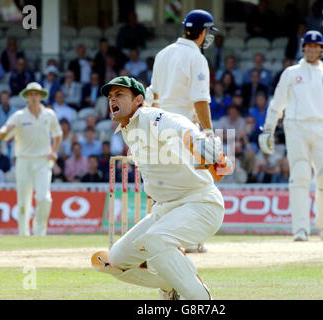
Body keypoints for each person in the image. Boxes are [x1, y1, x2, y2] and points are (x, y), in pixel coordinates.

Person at [97, 75, 227, 300]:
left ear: (138, 100)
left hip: (200, 203)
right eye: (110, 96)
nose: (112, 100)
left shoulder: (150, 117)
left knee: (156, 241)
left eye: (119, 95)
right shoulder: (127, 129)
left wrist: (199, 140)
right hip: (164, 209)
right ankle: (170, 284)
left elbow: (178, 124)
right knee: (115, 261)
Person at [259, 30, 323, 242]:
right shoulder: (291, 73)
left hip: (321, 128)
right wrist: (268, 129)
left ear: (321, 49)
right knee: (300, 176)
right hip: (296, 128)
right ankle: (300, 229)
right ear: (303, 48)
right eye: (308, 46)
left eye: (315, 46)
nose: (311, 49)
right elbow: (277, 104)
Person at [147, 9, 218, 254]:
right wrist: (207, 132)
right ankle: (187, 239)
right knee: (195, 186)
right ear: (202, 32)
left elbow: (153, 95)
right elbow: (200, 99)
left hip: (159, 124)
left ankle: (168, 238)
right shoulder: (196, 58)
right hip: (183, 126)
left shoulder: (163, 53)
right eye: (208, 31)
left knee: (171, 186)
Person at [0, 82, 63, 236]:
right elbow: (4, 133)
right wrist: (3, 132)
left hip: (43, 160)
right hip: (23, 160)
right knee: (23, 200)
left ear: (41, 96)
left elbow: (57, 134)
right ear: (27, 97)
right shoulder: (19, 116)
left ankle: (40, 233)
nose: (34, 97)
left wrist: (54, 151)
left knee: (44, 198)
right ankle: (23, 234)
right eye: (31, 94)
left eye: (36, 94)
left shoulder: (49, 114)